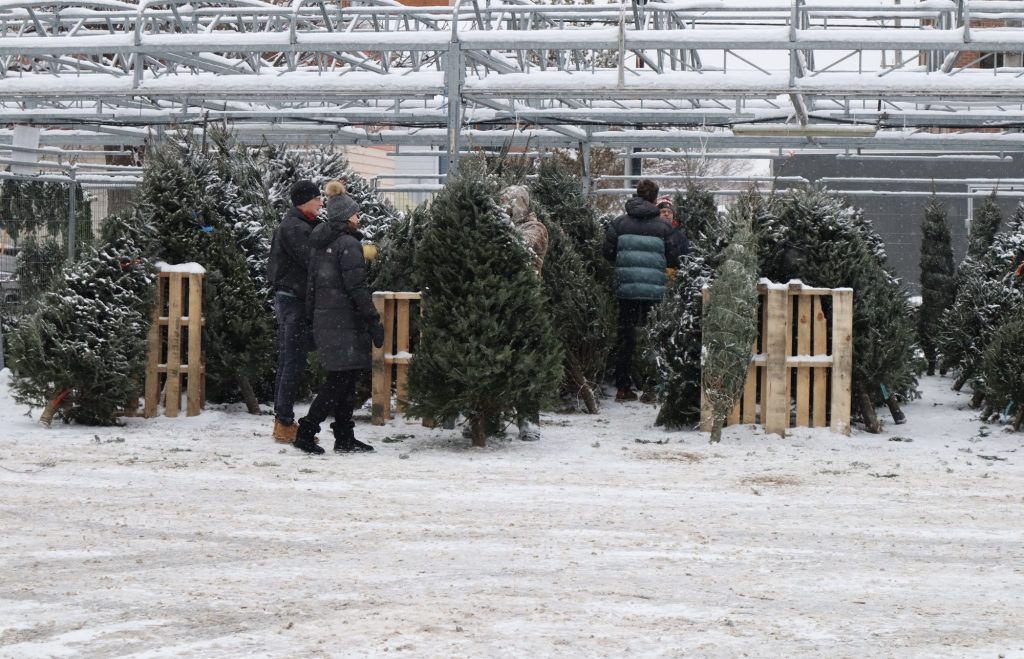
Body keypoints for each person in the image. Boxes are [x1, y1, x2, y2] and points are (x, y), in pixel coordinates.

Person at [292, 193, 385, 454]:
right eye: (356, 213)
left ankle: (344, 437)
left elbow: (311, 285)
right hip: (344, 321)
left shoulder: (321, 242)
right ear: (346, 217)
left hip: (328, 320)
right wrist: (372, 319)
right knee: (339, 379)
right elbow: (357, 287)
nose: (359, 217)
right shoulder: (348, 244)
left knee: (346, 377)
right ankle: (306, 431)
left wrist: (313, 318)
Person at [603, 179, 681, 402]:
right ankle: (652, 387)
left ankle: (623, 388)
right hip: (655, 291)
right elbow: (674, 258)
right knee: (653, 337)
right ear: (655, 199)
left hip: (625, 289)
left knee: (626, 338)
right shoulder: (665, 228)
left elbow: (607, 253)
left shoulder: (619, 224)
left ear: (637, 195)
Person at [267, 180, 323, 443]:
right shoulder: (294, 228)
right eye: (316, 198)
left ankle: (283, 420)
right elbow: (313, 258)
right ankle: (285, 423)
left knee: (291, 359)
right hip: (293, 300)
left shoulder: (302, 225)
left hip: (293, 298)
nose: (321, 202)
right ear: (304, 201)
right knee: (293, 360)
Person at [499, 184, 550, 441]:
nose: (506, 207)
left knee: (525, 362)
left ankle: (528, 419)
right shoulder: (503, 227)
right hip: (500, 304)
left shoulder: (535, 228)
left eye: (509, 202)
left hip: (527, 305)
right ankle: (489, 416)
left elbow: (521, 247)